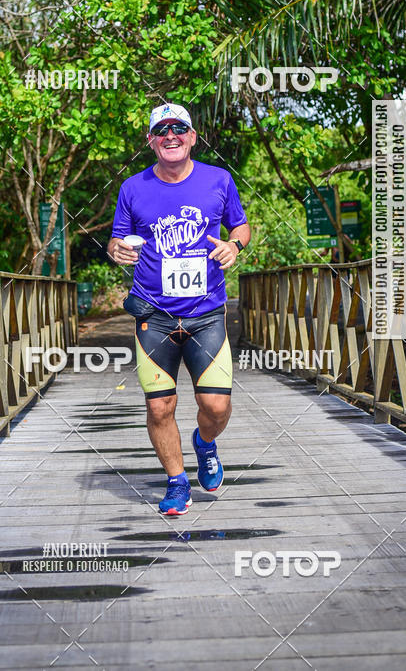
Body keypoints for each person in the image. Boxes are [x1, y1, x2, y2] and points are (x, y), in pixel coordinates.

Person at [107, 103, 251, 515]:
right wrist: (116, 250)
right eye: (161, 130)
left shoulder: (218, 180)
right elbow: (118, 240)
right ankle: (176, 483)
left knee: (216, 407)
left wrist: (233, 245)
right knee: (159, 406)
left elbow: (241, 226)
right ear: (151, 141)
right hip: (153, 315)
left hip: (206, 313)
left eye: (179, 128)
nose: (171, 136)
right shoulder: (133, 188)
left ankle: (205, 444)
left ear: (192, 136)